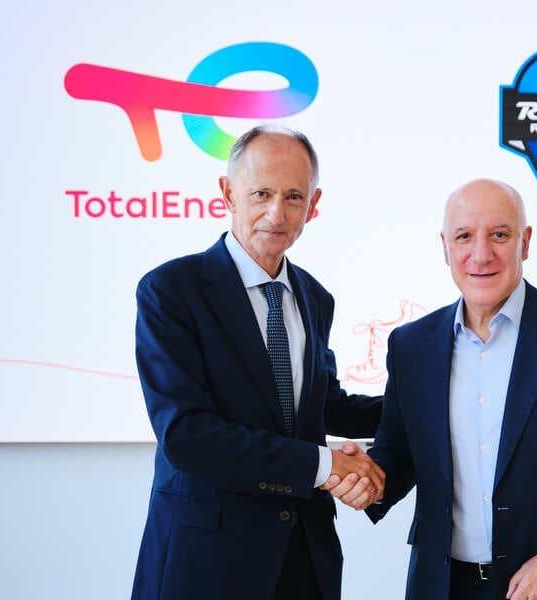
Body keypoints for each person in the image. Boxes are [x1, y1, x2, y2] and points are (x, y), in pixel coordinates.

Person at [326, 179, 537, 599]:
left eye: (499, 235)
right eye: (464, 236)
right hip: (443, 587)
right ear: (445, 247)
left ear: (525, 242)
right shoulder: (411, 346)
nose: (480, 255)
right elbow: (400, 453)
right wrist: (367, 479)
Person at [131, 125, 384, 600]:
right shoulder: (171, 291)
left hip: (303, 560)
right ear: (228, 193)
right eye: (261, 194)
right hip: (207, 562)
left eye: (293, 197)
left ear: (313, 204)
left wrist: (425, 402)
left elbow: (321, 406)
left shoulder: (315, 297)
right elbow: (187, 435)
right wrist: (323, 464)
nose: (276, 213)